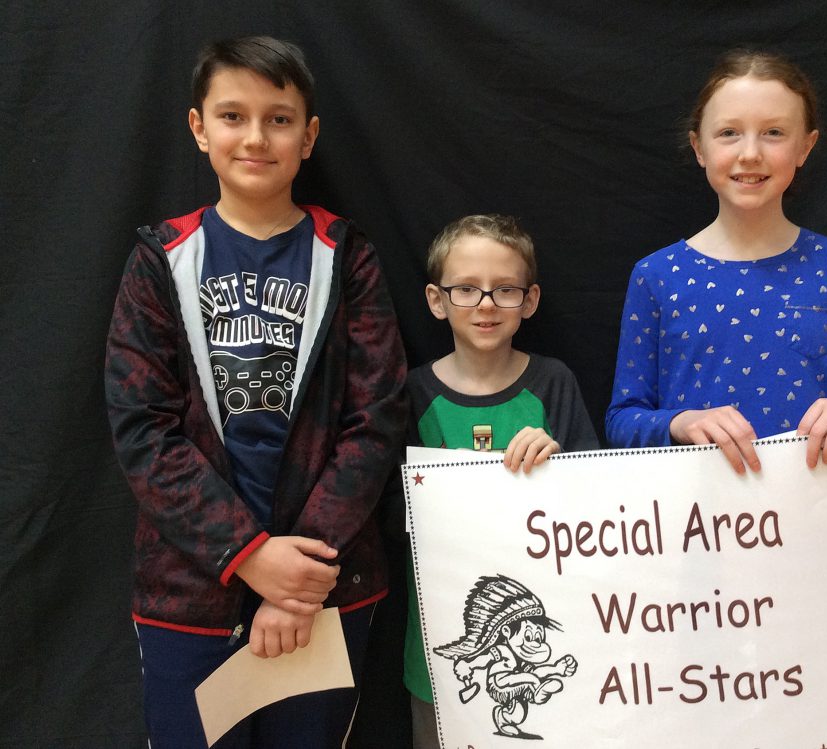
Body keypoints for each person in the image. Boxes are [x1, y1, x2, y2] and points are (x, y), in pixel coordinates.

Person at [104, 36, 406, 748]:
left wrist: (297, 576)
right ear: (199, 128)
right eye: (233, 115)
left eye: (278, 118)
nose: (255, 136)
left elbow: (376, 419)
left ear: (310, 136)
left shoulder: (350, 256)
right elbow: (143, 432)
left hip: (326, 588)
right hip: (189, 595)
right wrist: (250, 555)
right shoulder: (159, 259)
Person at [605, 50, 827, 471]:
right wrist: (680, 422)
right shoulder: (657, 275)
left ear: (806, 146)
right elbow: (622, 421)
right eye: (729, 133)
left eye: (773, 133)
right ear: (699, 147)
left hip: (811, 519)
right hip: (692, 524)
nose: (750, 153)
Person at [403, 215, 600, 747]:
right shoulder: (410, 394)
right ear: (436, 299)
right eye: (465, 288)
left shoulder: (553, 383)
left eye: (504, 289)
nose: (486, 304)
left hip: (541, 640)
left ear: (529, 300)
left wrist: (559, 464)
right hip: (441, 649)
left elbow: (601, 514)